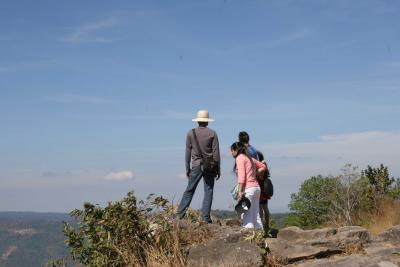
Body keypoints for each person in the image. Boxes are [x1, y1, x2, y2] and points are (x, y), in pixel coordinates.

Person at [177, 110, 221, 223]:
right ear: (207, 121)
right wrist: (218, 168)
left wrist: (187, 168)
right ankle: (205, 217)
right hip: (209, 166)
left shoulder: (190, 133)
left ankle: (179, 215)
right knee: (209, 190)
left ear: (197, 121)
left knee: (189, 190)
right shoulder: (212, 133)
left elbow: (187, 152)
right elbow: (216, 154)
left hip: (196, 165)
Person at [231, 142, 266, 229]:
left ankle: (249, 240)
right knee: (256, 216)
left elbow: (242, 177)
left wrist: (240, 192)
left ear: (235, 150)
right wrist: (256, 173)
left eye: (231, 151)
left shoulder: (240, 158)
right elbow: (263, 166)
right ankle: (260, 238)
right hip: (256, 188)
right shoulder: (249, 158)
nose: (231, 153)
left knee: (247, 217)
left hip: (248, 189)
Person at [256, 151, 270, 236]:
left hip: (260, 190)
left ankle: (263, 230)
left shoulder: (261, 165)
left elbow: (260, 176)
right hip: (264, 190)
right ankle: (266, 227)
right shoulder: (264, 164)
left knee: (261, 210)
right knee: (265, 208)